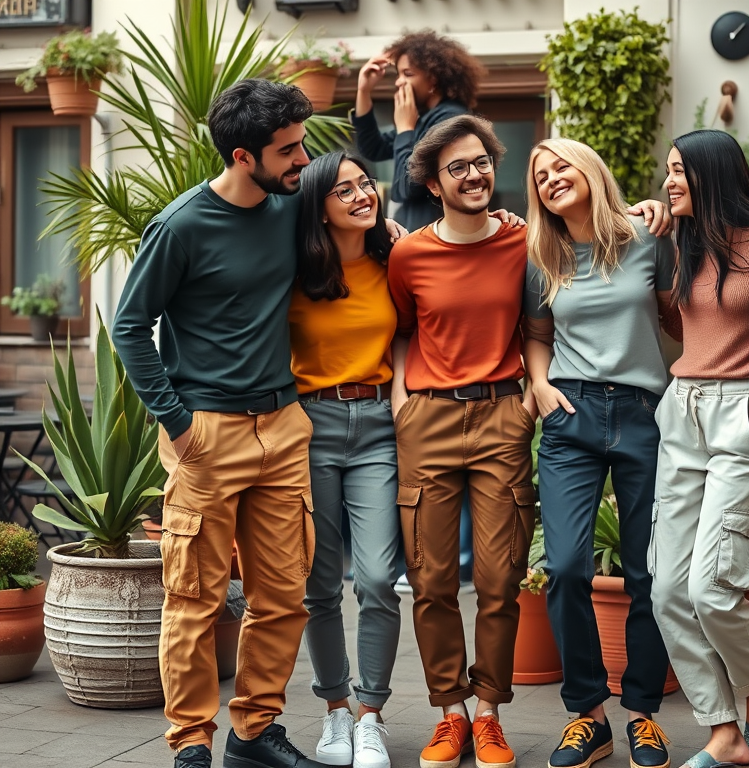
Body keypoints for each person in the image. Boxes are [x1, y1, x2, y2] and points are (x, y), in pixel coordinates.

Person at [112, 79, 328, 768]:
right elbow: (128, 326)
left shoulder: (289, 209)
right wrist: (177, 424)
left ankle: (255, 732)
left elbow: (367, 210)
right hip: (207, 435)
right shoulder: (181, 225)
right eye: (288, 149)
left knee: (283, 598)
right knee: (194, 602)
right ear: (243, 155)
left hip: (283, 429)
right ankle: (191, 745)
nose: (302, 159)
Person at [389, 113, 536, 768]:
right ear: (433, 182)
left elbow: (545, 313)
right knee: (431, 579)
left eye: (481, 162)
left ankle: (489, 714)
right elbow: (399, 330)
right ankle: (449, 712)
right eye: (459, 167)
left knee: (502, 578)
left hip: (503, 416)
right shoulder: (409, 254)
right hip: (429, 421)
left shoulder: (523, 241)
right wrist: (400, 400)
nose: (475, 174)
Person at [523, 138, 673, 768]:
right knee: (565, 569)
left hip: (644, 414)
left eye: (561, 165)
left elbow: (680, 318)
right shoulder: (541, 256)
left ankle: (641, 714)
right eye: (540, 175)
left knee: (648, 574)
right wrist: (539, 383)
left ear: (589, 170)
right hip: (571, 417)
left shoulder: (648, 238)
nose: (552, 178)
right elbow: (537, 335)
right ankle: (588, 716)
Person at [648, 129, 749, 768]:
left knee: (712, 588)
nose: (669, 181)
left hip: (743, 412)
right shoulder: (684, 243)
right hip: (683, 413)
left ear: (713, 174)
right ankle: (722, 730)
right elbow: (685, 325)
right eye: (667, 172)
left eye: (680, 171)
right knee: (666, 591)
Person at [289, 151, 401, 768]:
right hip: (311, 427)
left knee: (380, 579)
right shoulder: (294, 269)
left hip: (379, 425)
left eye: (364, 183)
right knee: (319, 584)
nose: (362, 195)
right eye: (343, 190)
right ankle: (334, 711)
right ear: (317, 207)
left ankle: (370, 716)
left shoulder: (395, 258)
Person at [353, 30, 484, 231]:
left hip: (434, 242)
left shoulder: (449, 120)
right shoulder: (423, 121)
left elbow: (405, 188)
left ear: (432, 79)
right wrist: (363, 91)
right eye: (398, 74)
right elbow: (373, 148)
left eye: (408, 73)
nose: (398, 82)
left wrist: (405, 129)